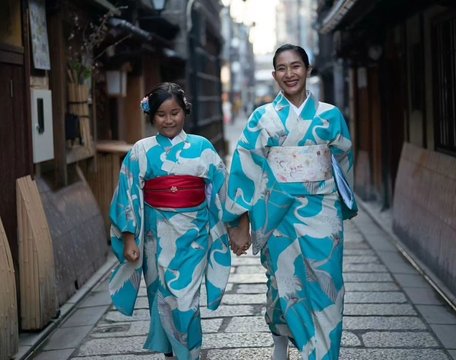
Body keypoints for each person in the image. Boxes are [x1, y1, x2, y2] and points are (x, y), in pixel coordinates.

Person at [225, 44, 354, 359]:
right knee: (284, 283)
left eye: (296, 66)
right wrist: (240, 220)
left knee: (329, 284)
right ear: (273, 75)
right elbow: (245, 167)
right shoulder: (262, 118)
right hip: (278, 213)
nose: (289, 74)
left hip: (322, 210)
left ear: (308, 70)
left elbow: (343, 161)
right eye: (282, 68)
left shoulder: (330, 116)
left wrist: (342, 201)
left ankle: (323, 354)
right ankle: (282, 345)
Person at [108, 82, 231, 360]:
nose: (168, 120)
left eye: (174, 112)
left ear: (184, 112)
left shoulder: (202, 147)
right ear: (151, 117)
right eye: (161, 114)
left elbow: (223, 188)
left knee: (185, 300)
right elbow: (127, 194)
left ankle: (190, 352)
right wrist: (129, 237)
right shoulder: (141, 150)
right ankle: (174, 353)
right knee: (162, 298)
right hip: (155, 237)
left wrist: (237, 226)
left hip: (194, 235)